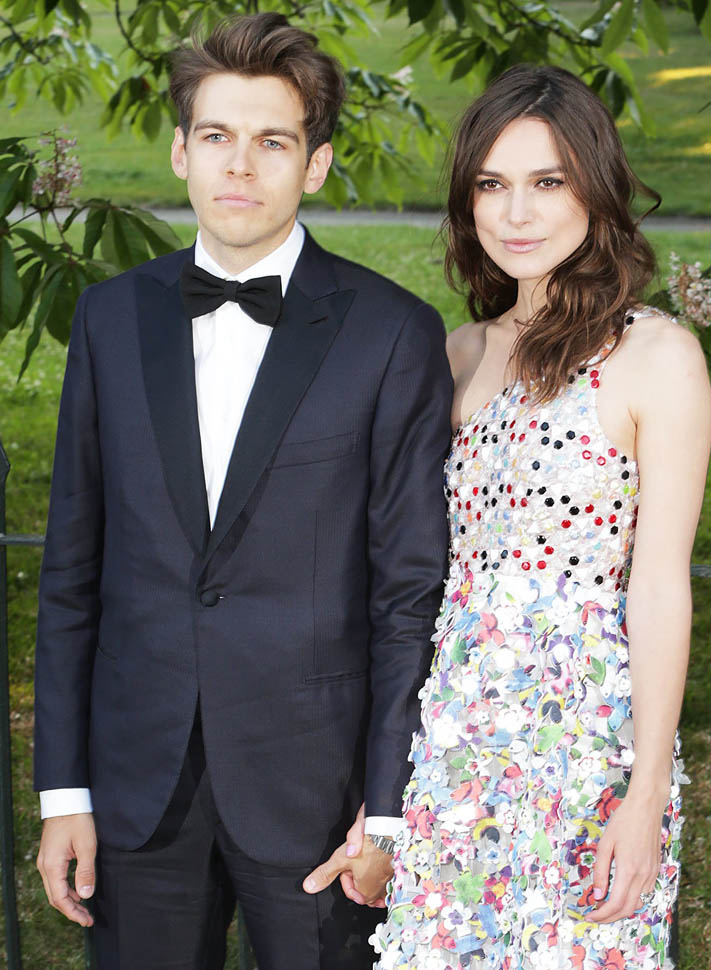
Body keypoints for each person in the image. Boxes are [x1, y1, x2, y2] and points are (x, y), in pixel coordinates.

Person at [33, 12, 452, 968]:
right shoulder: (108, 319)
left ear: (315, 165)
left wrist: (387, 808)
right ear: (182, 151)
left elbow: (407, 593)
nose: (241, 165)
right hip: (137, 786)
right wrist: (65, 793)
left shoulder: (391, 335)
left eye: (274, 141)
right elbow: (72, 571)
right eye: (217, 136)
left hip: (316, 790)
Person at [366, 65, 711, 969]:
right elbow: (409, 579)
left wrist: (643, 797)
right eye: (492, 184)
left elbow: (663, 586)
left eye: (547, 182)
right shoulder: (458, 355)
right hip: (453, 748)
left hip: (589, 754)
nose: (516, 212)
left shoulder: (657, 356)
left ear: (593, 190)